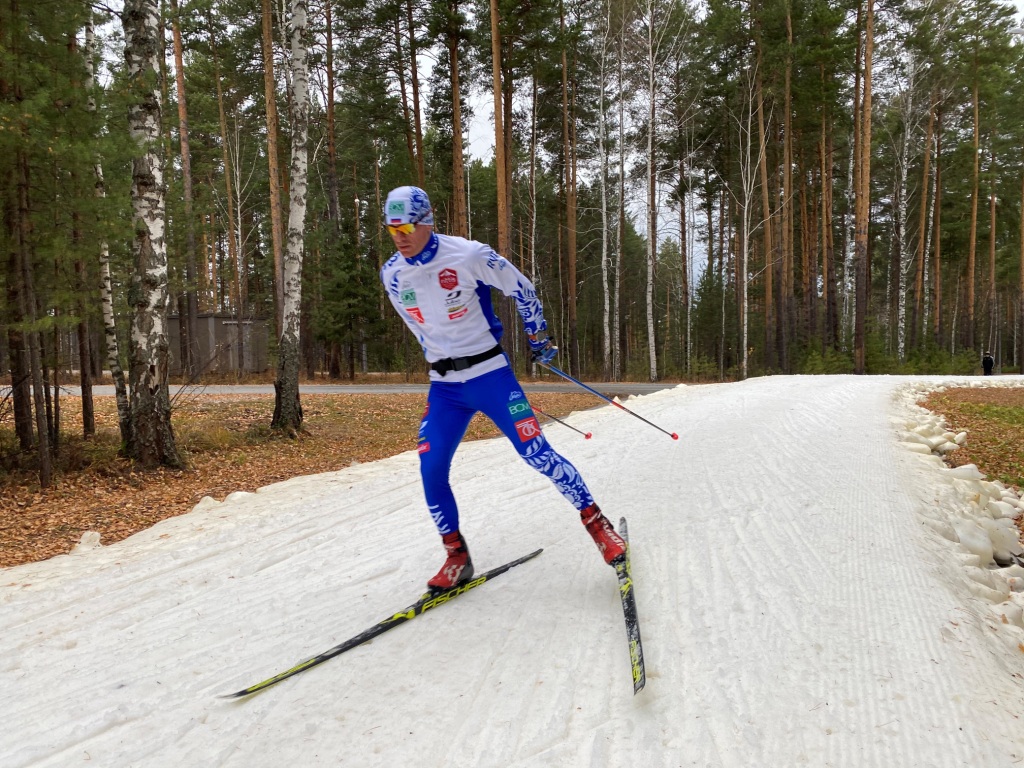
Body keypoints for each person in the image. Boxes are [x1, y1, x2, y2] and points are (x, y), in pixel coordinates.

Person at [379, 185, 625, 591]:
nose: (399, 236)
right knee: (431, 467)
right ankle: (456, 556)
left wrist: (538, 337)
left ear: (426, 222)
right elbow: (420, 329)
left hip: (491, 376)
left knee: (536, 453)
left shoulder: (468, 254)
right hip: (444, 388)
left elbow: (521, 287)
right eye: (391, 229)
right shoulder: (392, 273)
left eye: (405, 226)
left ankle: (600, 527)